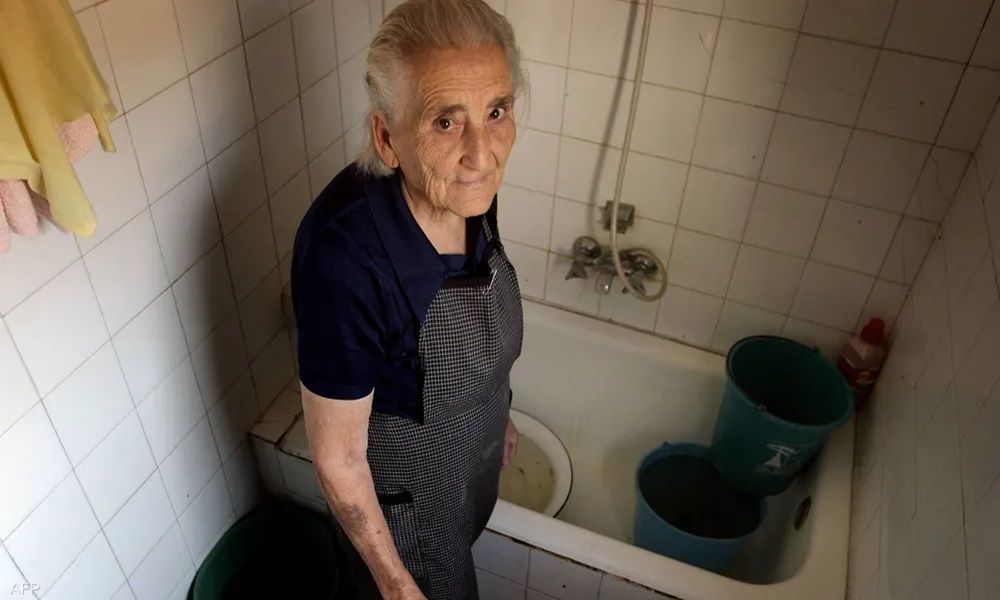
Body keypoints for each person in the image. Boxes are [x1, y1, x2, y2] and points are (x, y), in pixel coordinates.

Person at [290, 1, 524, 598]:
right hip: (406, 515)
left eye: (496, 111)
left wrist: (498, 414)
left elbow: (477, 319)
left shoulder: (464, 188)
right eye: (446, 121)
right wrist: (395, 584)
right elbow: (339, 459)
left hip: (467, 459)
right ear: (386, 136)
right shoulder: (345, 261)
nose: (482, 154)